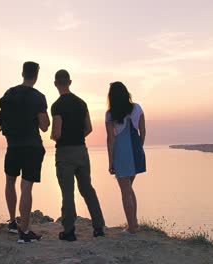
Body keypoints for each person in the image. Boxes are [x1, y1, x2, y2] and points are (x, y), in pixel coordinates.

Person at [50, 70, 105, 242]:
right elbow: (88, 128)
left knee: (67, 192)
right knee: (87, 188)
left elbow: (57, 133)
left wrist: (53, 136)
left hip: (65, 152)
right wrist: (77, 136)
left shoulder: (57, 105)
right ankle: (98, 227)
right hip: (81, 150)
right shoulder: (81, 103)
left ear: (55, 84)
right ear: (70, 82)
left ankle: (69, 231)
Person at [0, 61, 50, 243]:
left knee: (10, 181)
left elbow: (2, 118)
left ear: (22, 73)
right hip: (31, 147)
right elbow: (44, 126)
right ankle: (25, 231)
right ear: (36, 75)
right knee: (26, 187)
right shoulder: (38, 97)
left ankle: (13, 222)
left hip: (12, 146)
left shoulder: (8, 93)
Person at [105, 81, 146, 234]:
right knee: (129, 189)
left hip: (122, 153)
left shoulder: (110, 114)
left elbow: (111, 139)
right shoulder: (137, 108)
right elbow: (143, 131)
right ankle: (134, 224)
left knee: (125, 191)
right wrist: (139, 148)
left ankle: (132, 228)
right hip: (136, 151)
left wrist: (110, 162)